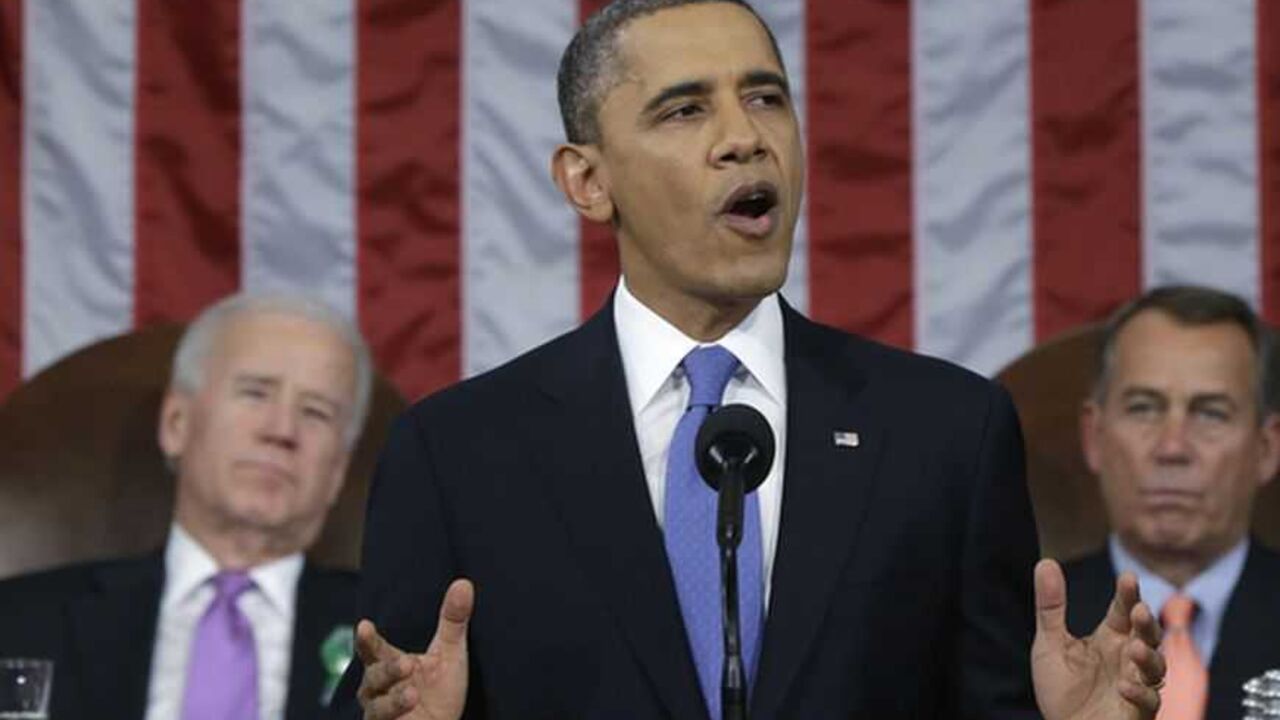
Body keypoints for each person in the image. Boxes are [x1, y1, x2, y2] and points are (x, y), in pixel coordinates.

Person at [334, 1, 1165, 718]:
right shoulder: (457, 453)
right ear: (587, 182)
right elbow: (395, 692)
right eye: (684, 111)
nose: (745, 139)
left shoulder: (946, 433)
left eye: (766, 98)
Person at [0, 292, 374, 719]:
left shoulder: (393, 646)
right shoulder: (18, 623)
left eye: (316, 412)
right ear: (176, 424)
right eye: (255, 393)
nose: (282, 429)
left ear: (338, 470)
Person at [1063, 285, 1280, 720]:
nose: (1172, 447)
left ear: (1265, 449)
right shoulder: (1020, 628)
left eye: (1210, 412)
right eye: (1143, 408)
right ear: (1095, 438)